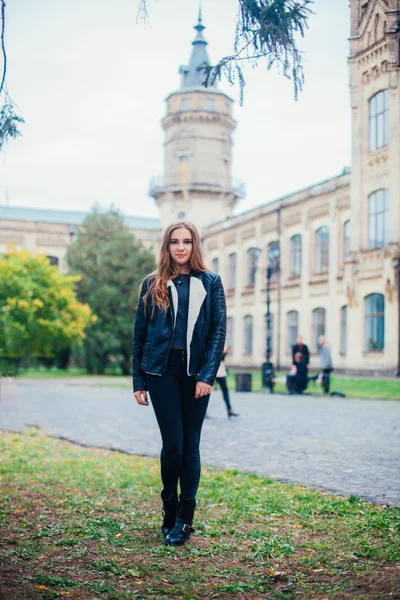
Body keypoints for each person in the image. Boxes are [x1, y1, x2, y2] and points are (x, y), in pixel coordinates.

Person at [132, 221, 226, 547]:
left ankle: (185, 517)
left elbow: (217, 332)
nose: (181, 247)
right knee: (172, 443)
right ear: (167, 246)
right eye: (175, 242)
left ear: (195, 245)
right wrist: (138, 380)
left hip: (195, 374)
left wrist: (207, 376)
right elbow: (139, 337)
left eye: (187, 241)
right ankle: (169, 503)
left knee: (191, 443)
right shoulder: (151, 284)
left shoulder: (211, 282)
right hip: (161, 373)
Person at [215, 345, 239, 418]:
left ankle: (229, 410)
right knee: (205, 392)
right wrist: (224, 351)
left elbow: (222, 358)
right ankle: (203, 411)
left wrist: (225, 351)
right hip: (212, 372)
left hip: (221, 373)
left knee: (225, 391)